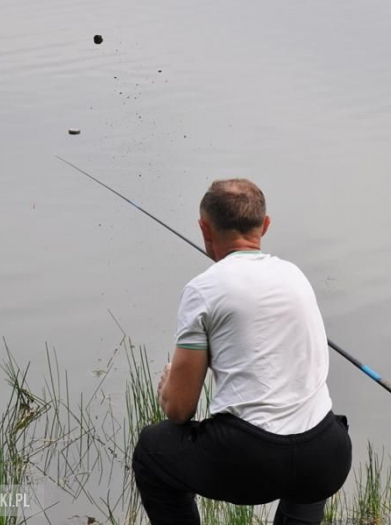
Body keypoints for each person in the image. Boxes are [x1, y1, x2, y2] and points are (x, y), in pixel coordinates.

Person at [132, 179, 352, 525]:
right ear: (265, 225)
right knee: (305, 468)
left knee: (152, 449)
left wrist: (168, 389)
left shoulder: (202, 290)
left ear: (204, 229)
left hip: (252, 460)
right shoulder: (295, 275)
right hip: (326, 453)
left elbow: (179, 410)